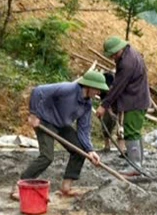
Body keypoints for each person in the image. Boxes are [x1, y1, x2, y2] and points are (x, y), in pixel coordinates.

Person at [14, 71, 109, 199]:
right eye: (97, 89)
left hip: (62, 125)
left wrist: (90, 150)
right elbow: (38, 91)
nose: (98, 93)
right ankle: (19, 186)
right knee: (47, 157)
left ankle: (66, 188)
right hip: (45, 121)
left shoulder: (87, 105)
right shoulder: (68, 89)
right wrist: (33, 114)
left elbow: (83, 129)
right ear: (89, 86)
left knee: (80, 151)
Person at [97, 37, 151, 170]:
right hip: (139, 99)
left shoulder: (127, 63)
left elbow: (117, 86)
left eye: (114, 54)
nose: (113, 57)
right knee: (135, 132)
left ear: (120, 49)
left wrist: (104, 105)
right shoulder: (130, 52)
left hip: (135, 101)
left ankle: (135, 166)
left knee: (131, 132)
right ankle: (138, 163)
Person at [100, 71, 119, 153]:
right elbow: (104, 102)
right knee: (106, 123)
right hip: (108, 107)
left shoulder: (118, 88)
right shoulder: (102, 90)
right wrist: (111, 113)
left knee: (121, 127)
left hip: (120, 106)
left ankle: (122, 147)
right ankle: (107, 145)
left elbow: (122, 103)